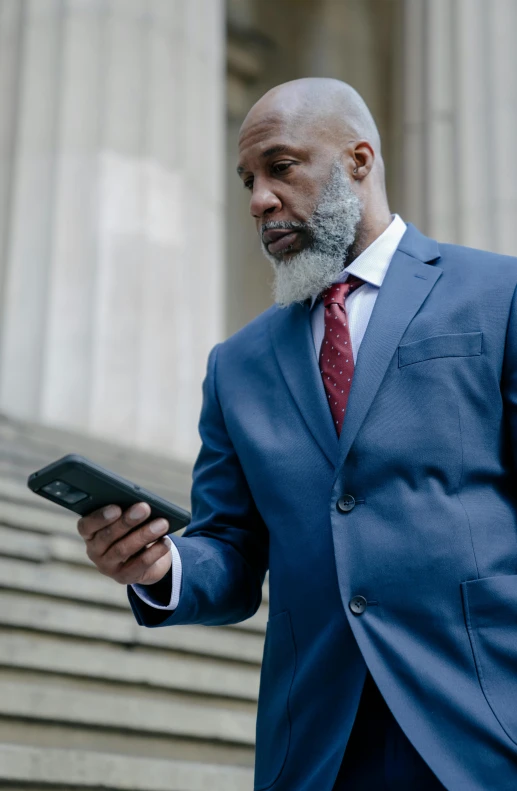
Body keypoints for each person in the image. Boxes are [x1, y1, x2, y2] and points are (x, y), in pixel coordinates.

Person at [77, 78, 517, 790]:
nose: (258, 200)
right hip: (316, 744)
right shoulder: (236, 365)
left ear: (357, 159)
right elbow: (231, 544)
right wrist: (161, 568)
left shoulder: (498, 295)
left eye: (280, 167)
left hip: (481, 724)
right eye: (249, 179)